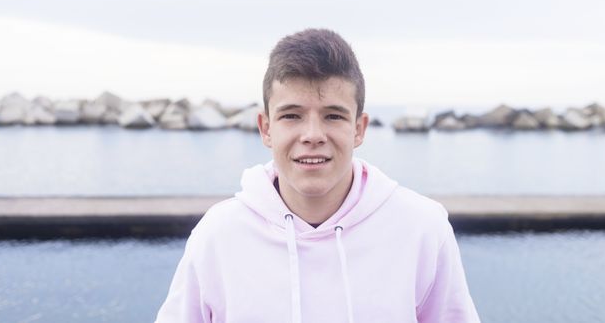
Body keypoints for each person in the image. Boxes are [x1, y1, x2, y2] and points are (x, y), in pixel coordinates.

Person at [155, 28, 480, 322]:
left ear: (359, 128)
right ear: (266, 129)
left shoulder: (422, 228)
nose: (313, 134)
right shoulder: (217, 236)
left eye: (333, 116)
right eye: (292, 115)